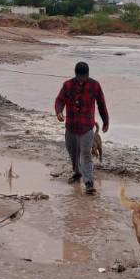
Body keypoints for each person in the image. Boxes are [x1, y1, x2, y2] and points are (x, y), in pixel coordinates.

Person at [54, 61, 109, 195]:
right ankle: (77, 173)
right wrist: (59, 112)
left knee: (86, 154)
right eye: (80, 77)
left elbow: (101, 104)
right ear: (76, 74)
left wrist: (106, 121)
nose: (82, 80)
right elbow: (59, 100)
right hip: (71, 127)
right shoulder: (67, 85)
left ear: (88, 74)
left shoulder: (95, 85)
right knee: (73, 153)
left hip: (87, 128)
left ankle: (89, 183)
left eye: (84, 77)